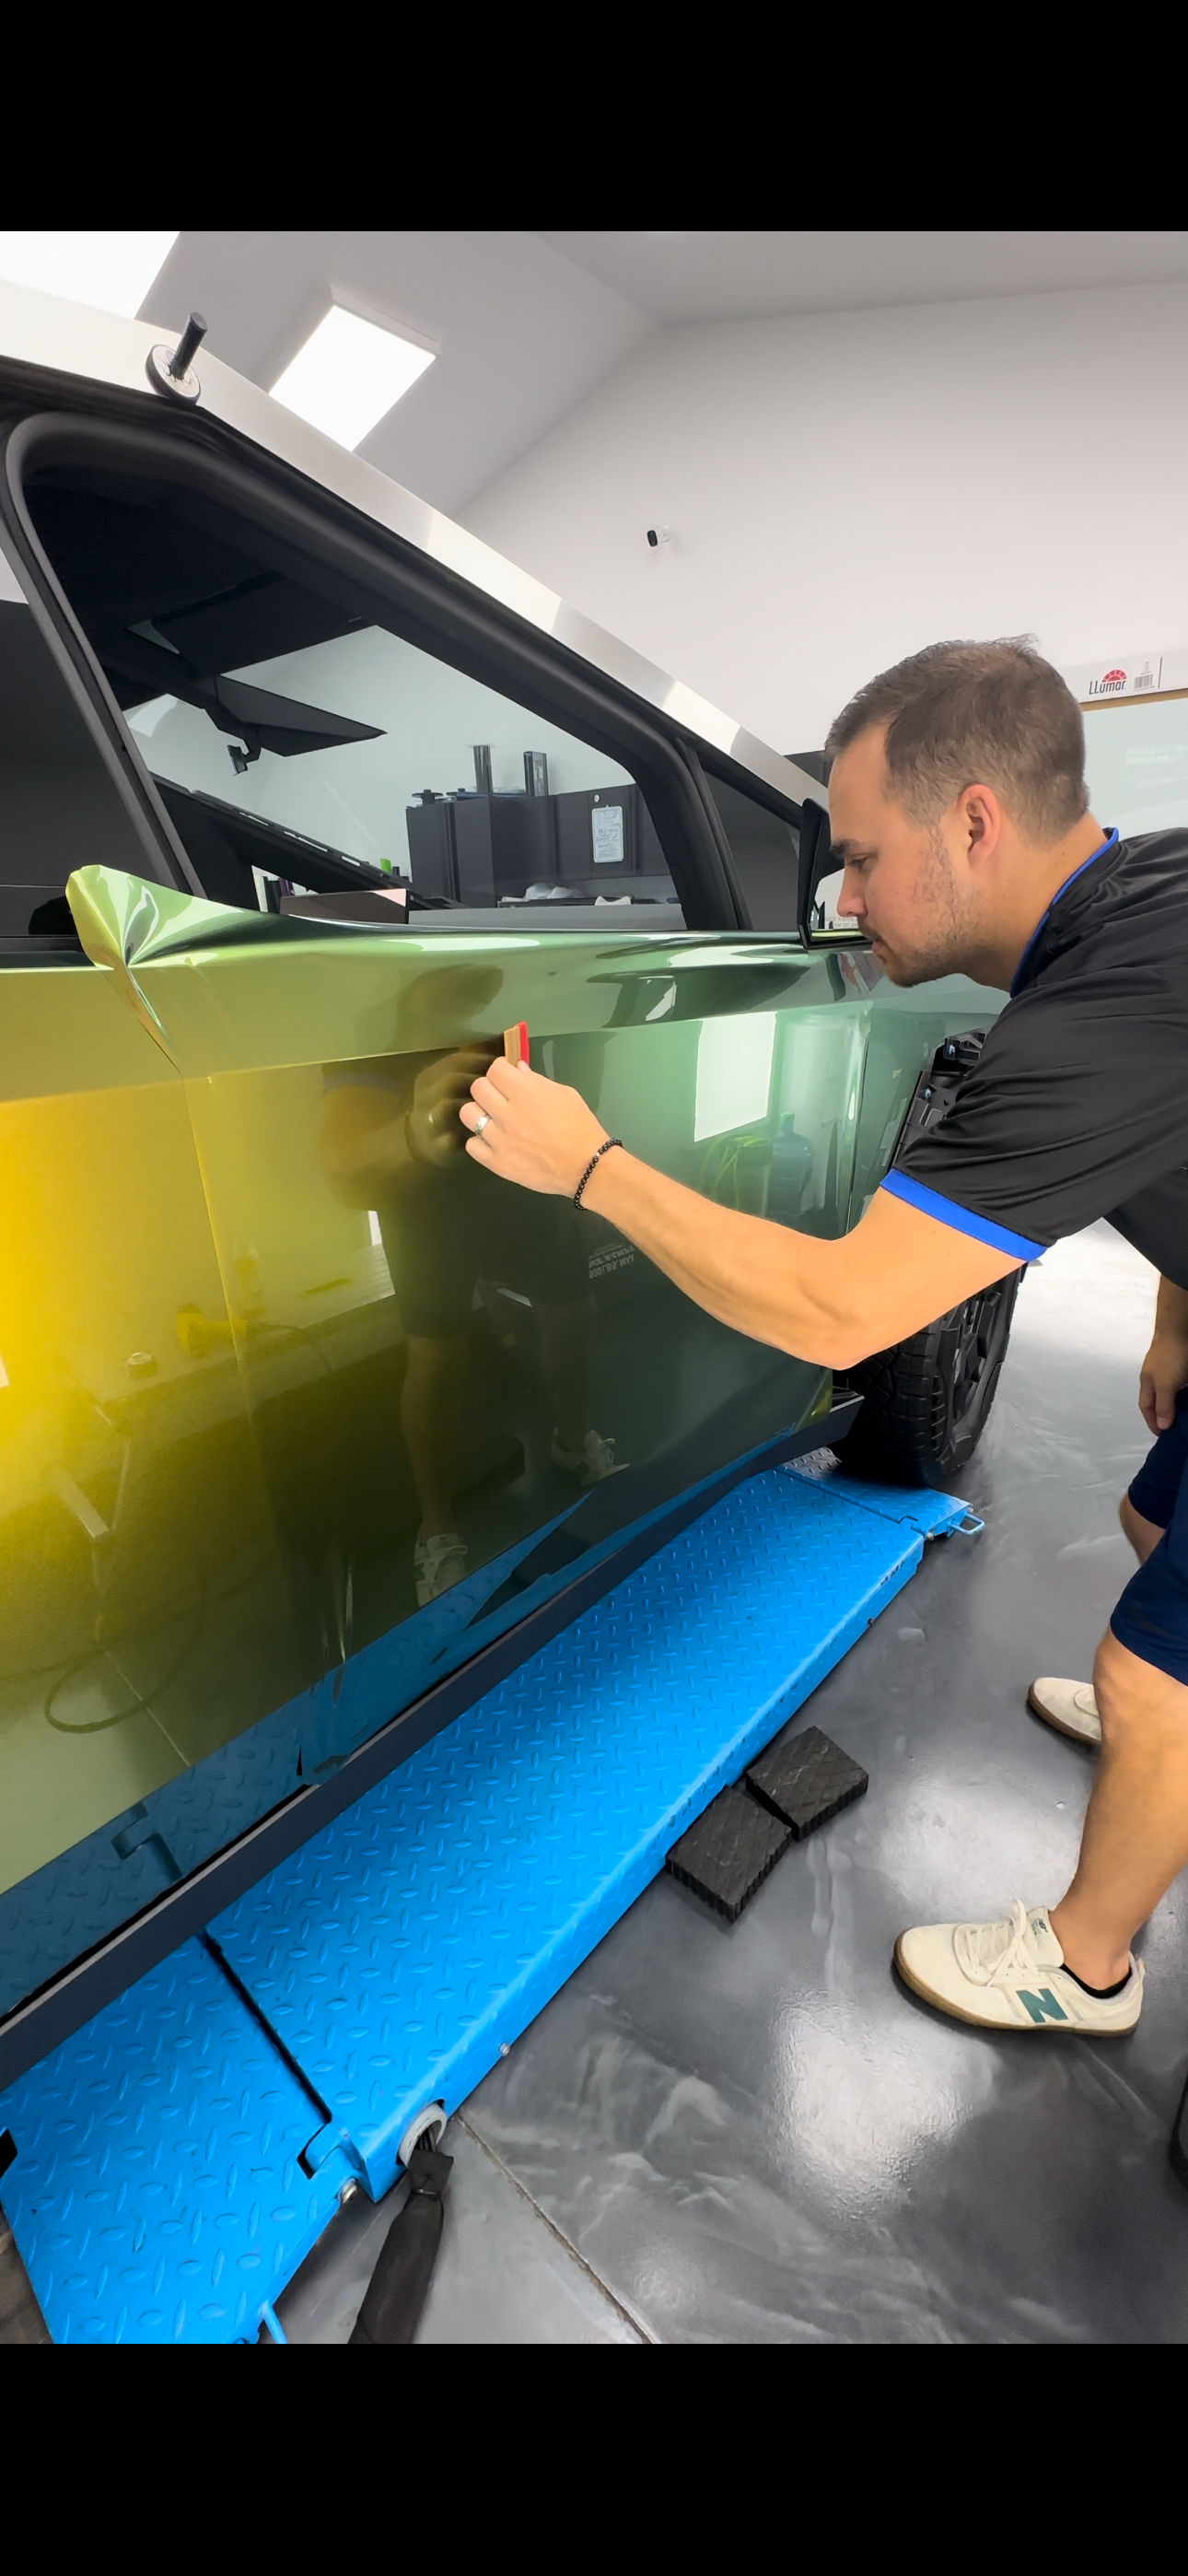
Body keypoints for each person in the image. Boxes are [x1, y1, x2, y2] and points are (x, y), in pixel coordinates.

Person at [458, 638, 1188, 2038]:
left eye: (857, 858)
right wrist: (1172, 1314)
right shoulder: (1140, 897)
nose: (843, 906)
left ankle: (1085, 1965)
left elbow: (845, 1308)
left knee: (1150, 1679)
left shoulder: (1095, 1012)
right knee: (1153, 1533)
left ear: (972, 820)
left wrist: (589, 1167)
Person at [318, 966, 613, 1607]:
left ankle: (572, 1442)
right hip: (426, 1200)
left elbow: (569, 1095)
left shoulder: (530, 990)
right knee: (435, 1355)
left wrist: (576, 1193)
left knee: (573, 1310)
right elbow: (342, 1169)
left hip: (520, 1184)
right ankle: (437, 1528)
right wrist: (414, 1135)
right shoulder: (374, 1017)